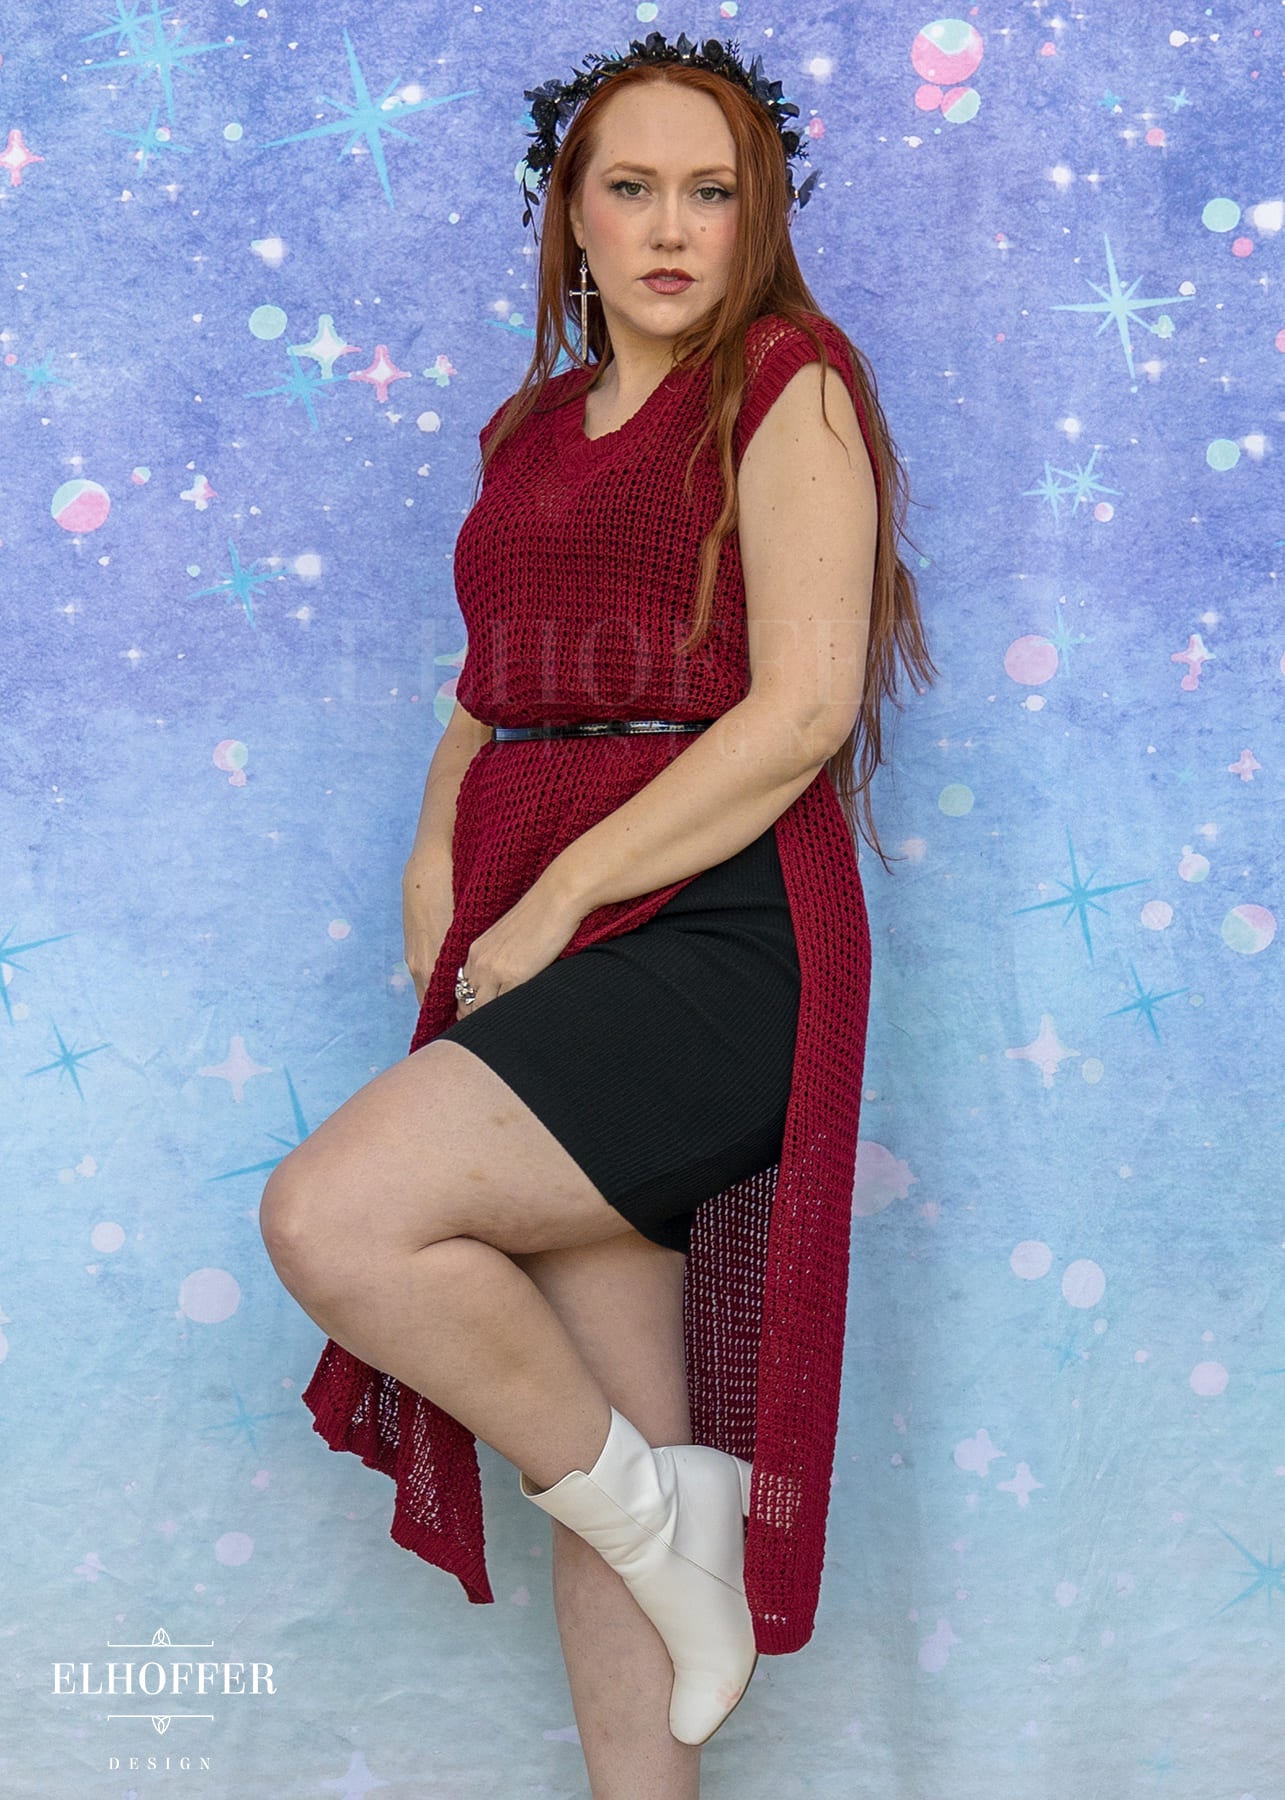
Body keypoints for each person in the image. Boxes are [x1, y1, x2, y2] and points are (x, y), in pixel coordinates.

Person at [259, 30, 936, 1799]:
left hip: (712, 934)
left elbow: (800, 711)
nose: (671, 228)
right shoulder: (534, 430)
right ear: (569, 213)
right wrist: (435, 862)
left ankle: (668, 1520)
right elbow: (487, 689)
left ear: (757, 214)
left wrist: (558, 897)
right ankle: (656, 1547)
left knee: (336, 1217)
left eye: (711, 192)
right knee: (601, 1437)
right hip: (537, 918)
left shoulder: (786, 382)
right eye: (630, 188)